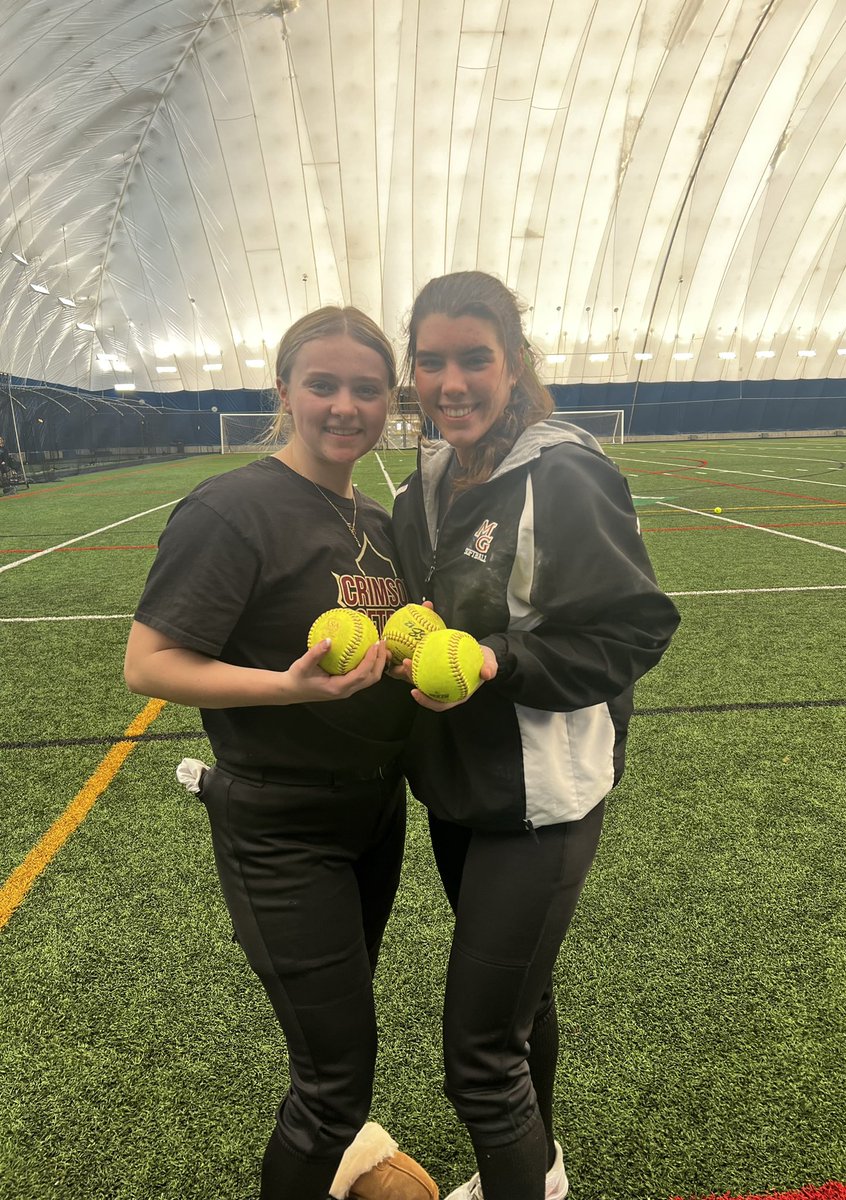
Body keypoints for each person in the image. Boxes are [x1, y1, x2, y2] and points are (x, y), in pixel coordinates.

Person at [124, 307, 436, 1200]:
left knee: (338, 1044)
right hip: (281, 825)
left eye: (367, 389)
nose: (346, 406)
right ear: (284, 392)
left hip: (373, 815)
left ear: (390, 399)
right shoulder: (233, 509)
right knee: (336, 1084)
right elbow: (149, 664)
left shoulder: (371, 514)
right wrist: (289, 689)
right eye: (323, 385)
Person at [390, 271, 681, 1200]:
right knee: (523, 1007)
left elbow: (635, 630)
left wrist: (495, 663)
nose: (452, 384)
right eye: (431, 362)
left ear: (514, 364)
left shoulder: (565, 472)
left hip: (543, 797)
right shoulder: (429, 481)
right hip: (456, 789)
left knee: (477, 1060)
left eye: (474, 359)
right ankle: (536, 1172)